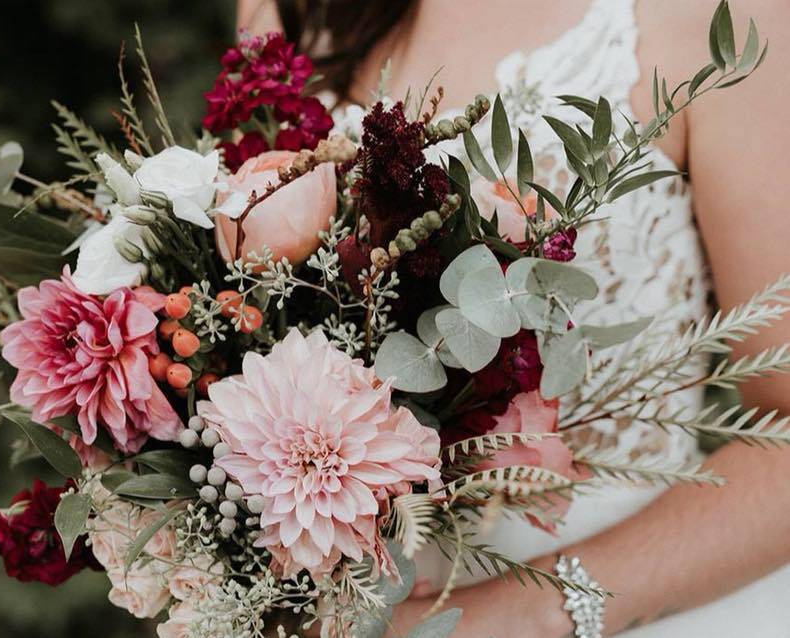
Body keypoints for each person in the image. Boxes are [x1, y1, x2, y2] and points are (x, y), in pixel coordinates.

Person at [238, 1, 790, 636]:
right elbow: (241, 312)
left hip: (637, 603)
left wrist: (540, 608)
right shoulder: (290, 10)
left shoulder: (709, 20)